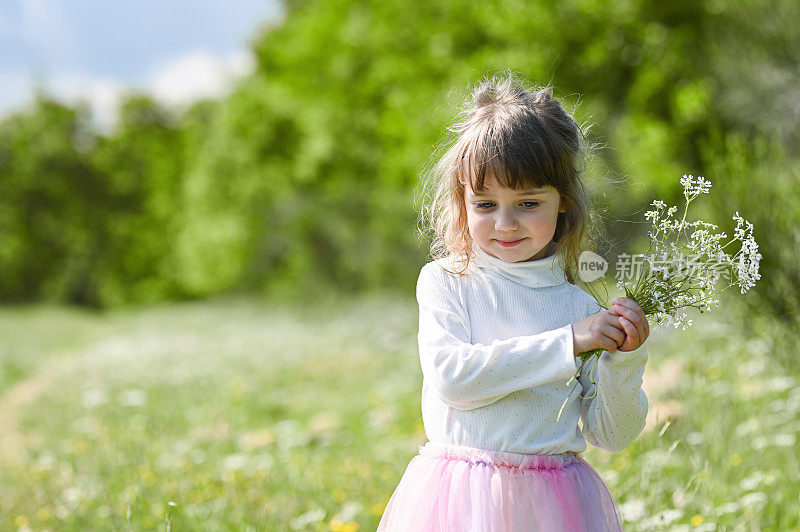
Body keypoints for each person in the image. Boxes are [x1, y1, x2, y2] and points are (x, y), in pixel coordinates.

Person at [377, 73, 650, 531]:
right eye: (484, 204)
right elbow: (453, 380)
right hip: (460, 501)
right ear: (461, 202)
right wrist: (568, 344)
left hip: (553, 506)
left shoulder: (580, 308)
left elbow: (612, 434)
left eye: (527, 203)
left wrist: (624, 361)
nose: (505, 224)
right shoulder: (448, 282)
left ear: (563, 201)